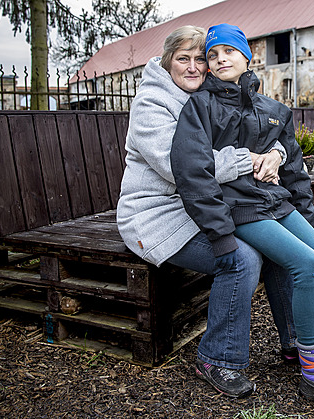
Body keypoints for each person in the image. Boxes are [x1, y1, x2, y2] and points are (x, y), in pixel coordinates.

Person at [170, 23, 314, 412]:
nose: (221, 59)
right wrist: (220, 234)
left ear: (247, 56)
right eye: (214, 54)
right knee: (307, 267)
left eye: (229, 52)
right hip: (240, 209)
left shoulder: (273, 110)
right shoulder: (199, 107)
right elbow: (192, 173)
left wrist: (311, 224)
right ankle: (312, 367)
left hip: (277, 204)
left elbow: (294, 174)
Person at [117, 25, 298, 399]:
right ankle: (217, 359)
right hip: (156, 217)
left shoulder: (209, 98)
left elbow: (263, 133)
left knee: (279, 246)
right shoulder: (152, 103)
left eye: (201, 58)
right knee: (241, 258)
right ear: (167, 61)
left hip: (205, 207)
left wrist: (275, 155)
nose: (195, 66)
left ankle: (299, 344)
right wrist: (249, 161)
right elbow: (180, 166)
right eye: (184, 58)